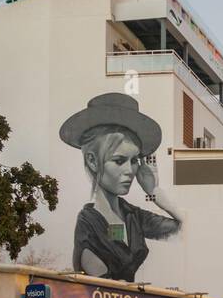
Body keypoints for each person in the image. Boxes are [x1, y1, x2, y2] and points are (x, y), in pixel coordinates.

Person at [60, 92, 182, 281]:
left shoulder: (132, 215)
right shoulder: (88, 224)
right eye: (119, 161)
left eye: (134, 161)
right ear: (92, 161)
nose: (130, 171)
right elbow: (101, 285)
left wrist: (154, 191)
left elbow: (185, 229)